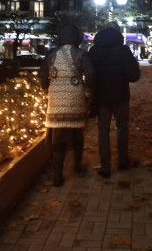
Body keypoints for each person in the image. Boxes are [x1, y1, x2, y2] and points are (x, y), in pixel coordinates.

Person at [39, 25, 96, 186]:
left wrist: (46, 90)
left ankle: (57, 175)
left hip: (56, 99)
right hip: (75, 97)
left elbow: (42, 73)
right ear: (77, 38)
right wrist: (88, 91)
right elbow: (91, 73)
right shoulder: (80, 54)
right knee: (77, 132)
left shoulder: (51, 54)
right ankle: (77, 166)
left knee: (58, 138)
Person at [88, 21, 141, 178]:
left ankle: (105, 167)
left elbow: (89, 74)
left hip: (102, 98)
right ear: (118, 34)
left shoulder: (94, 51)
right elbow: (134, 76)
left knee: (103, 130)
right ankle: (122, 161)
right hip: (120, 96)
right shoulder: (123, 51)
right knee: (122, 128)